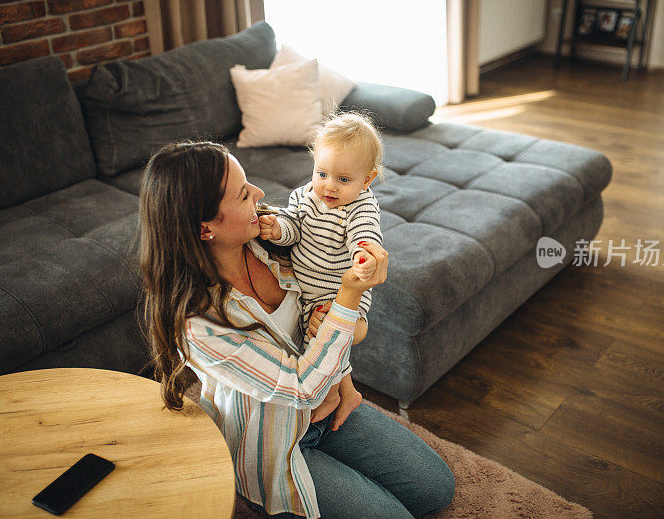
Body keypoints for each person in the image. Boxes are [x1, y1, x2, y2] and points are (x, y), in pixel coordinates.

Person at [138, 140, 454, 519]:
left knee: (436, 488)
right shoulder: (196, 324)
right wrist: (349, 294)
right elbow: (301, 386)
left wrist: (343, 381)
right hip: (271, 442)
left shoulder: (273, 238)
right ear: (206, 227)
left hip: (325, 406)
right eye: (243, 195)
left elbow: (319, 320)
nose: (259, 193)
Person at [258, 112, 383, 431]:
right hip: (308, 294)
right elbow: (292, 227)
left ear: (366, 180)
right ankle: (348, 391)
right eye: (322, 173)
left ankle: (330, 394)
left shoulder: (361, 206)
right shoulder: (303, 197)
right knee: (316, 340)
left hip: (340, 292)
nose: (329, 186)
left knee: (327, 334)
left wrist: (364, 253)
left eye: (343, 180)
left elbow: (364, 231)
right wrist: (277, 230)